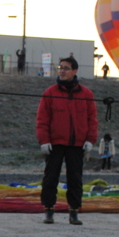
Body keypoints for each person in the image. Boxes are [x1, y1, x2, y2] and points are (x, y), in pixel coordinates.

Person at [35, 56, 98, 225]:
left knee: (75, 179)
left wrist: (90, 139)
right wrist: (44, 140)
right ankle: (49, 210)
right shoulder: (50, 93)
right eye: (60, 67)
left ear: (75, 71)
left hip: (77, 144)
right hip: (55, 143)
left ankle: (74, 211)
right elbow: (42, 119)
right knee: (50, 178)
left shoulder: (86, 94)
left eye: (66, 68)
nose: (62, 70)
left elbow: (92, 119)